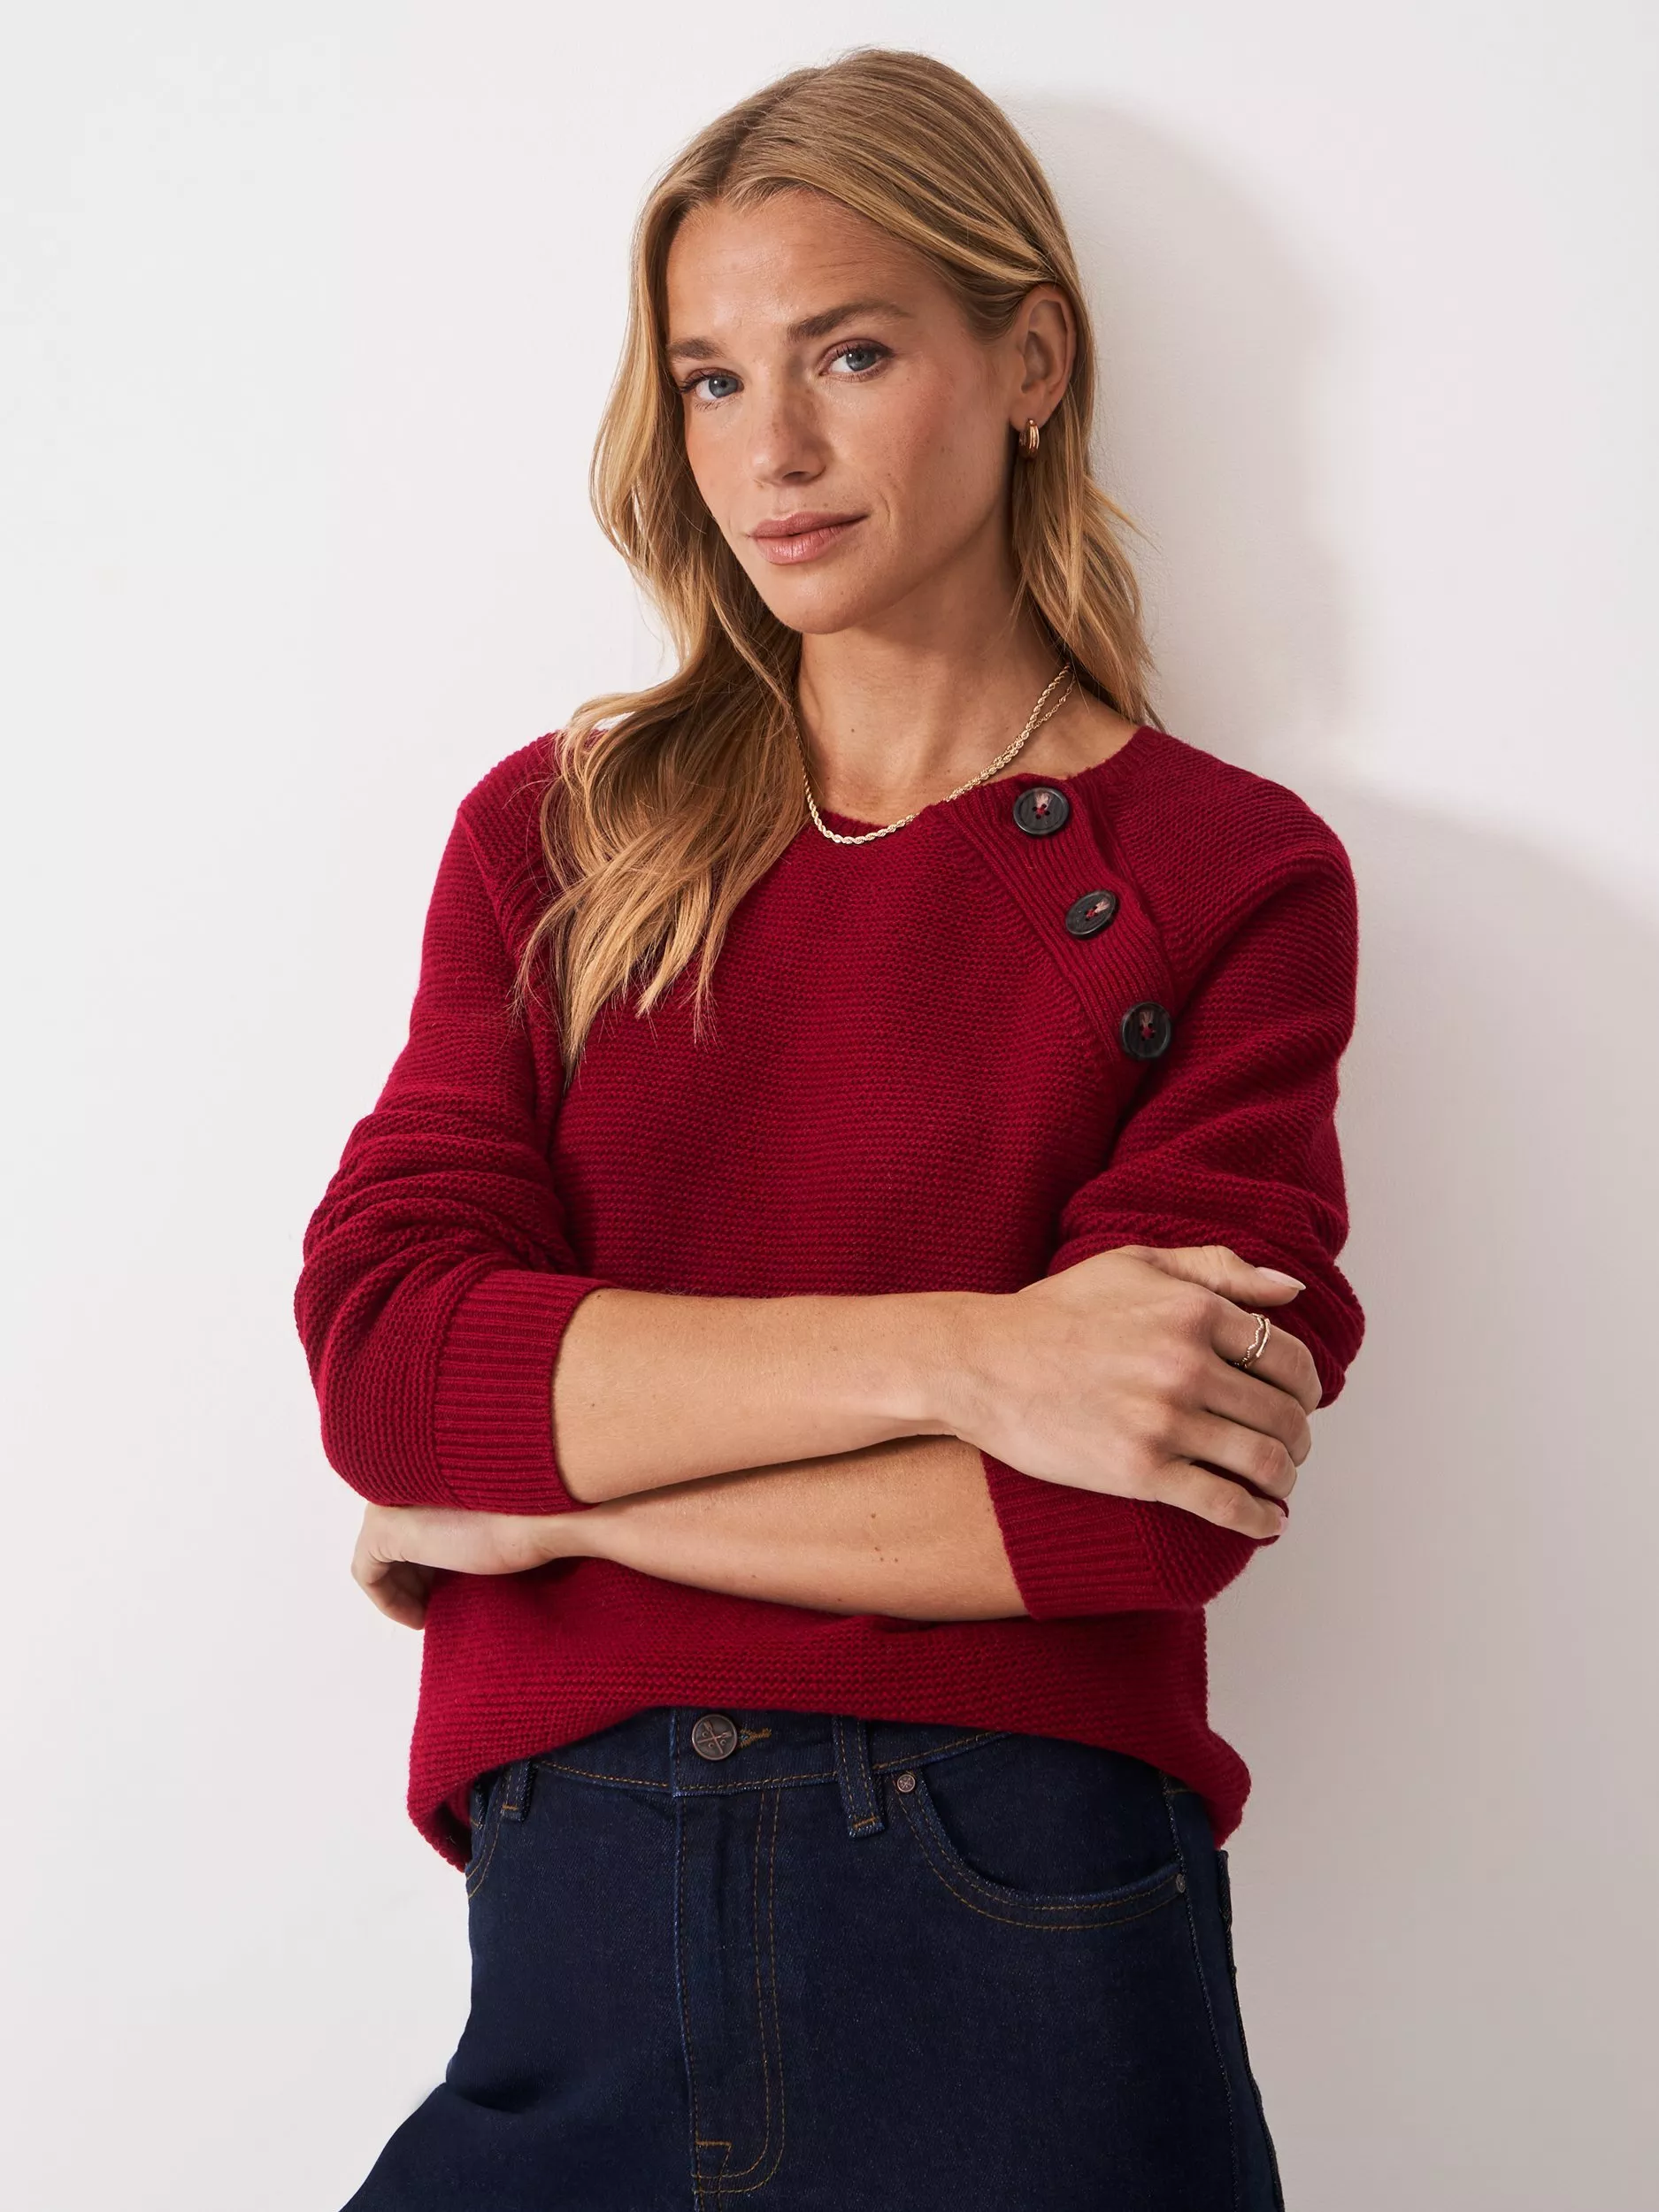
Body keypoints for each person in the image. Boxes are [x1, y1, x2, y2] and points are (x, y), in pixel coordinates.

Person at [296, 46, 1363, 2212]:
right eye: (709, 379)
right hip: (580, 1916)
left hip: (1020, 1900)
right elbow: (396, 1367)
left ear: (1029, 360)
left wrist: (543, 1513)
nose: (767, 450)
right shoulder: (562, 837)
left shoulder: (1223, 872)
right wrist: (974, 1356)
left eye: (847, 354)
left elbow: (1132, 1514)